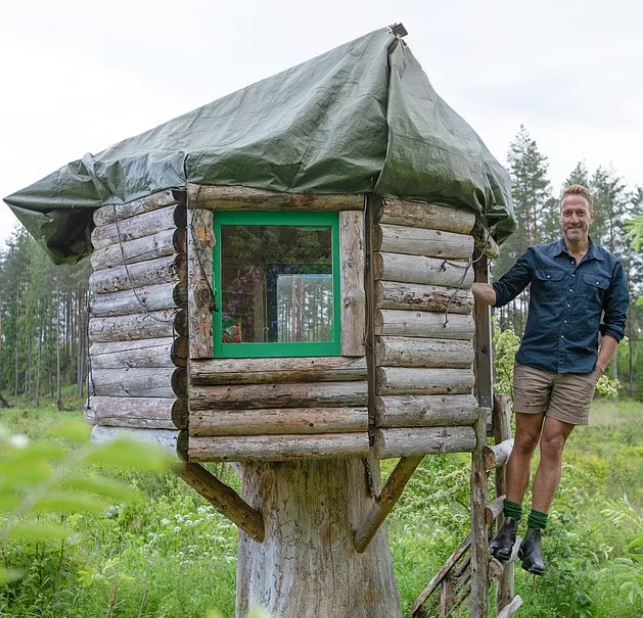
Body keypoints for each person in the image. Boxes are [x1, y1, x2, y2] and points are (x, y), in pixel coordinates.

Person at [472, 184, 628, 575]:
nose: (573, 219)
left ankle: (534, 539)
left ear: (591, 217)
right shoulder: (538, 257)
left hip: (578, 370)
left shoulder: (610, 267)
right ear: (560, 217)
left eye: (580, 212)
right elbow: (501, 293)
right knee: (525, 440)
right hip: (535, 364)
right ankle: (508, 528)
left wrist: (597, 369)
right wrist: (459, 284)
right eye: (567, 213)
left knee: (553, 444)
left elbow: (616, 324)